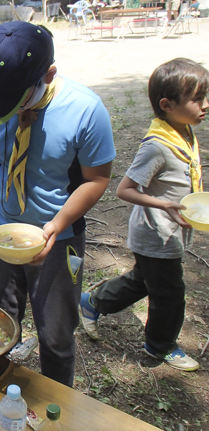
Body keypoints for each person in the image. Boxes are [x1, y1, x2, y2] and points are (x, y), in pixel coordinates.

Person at [0, 21, 115, 387]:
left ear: (47, 75)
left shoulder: (85, 110)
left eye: (8, 103)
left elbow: (97, 179)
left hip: (58, 236)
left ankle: (57, 408)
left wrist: (56, 224)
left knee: (56, 337)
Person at [80, 58, 209, 372]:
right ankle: (160, 344)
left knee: (143, 280)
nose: (205, 105)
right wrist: (163, 205)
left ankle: (92, 303)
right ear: (167, 104)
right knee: (170, 292)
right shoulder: (157, 146)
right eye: (197, 99)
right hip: (156, 234)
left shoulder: (183, 131)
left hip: (169, 231)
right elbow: (124, 189)